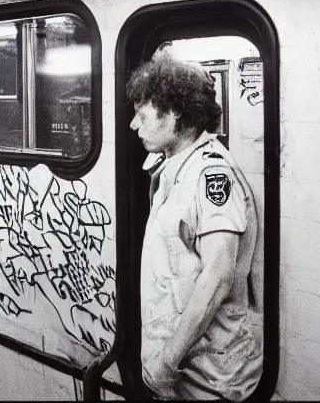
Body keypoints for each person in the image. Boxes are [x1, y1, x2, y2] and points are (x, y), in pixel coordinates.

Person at [126, 56, 263, 400]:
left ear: (174, 112)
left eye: (142, 116)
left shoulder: (210, 176)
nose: (133, 125)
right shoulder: (175, 170)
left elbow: (218, 278)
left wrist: (166, 362)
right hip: (185, 372)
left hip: (208, 380)